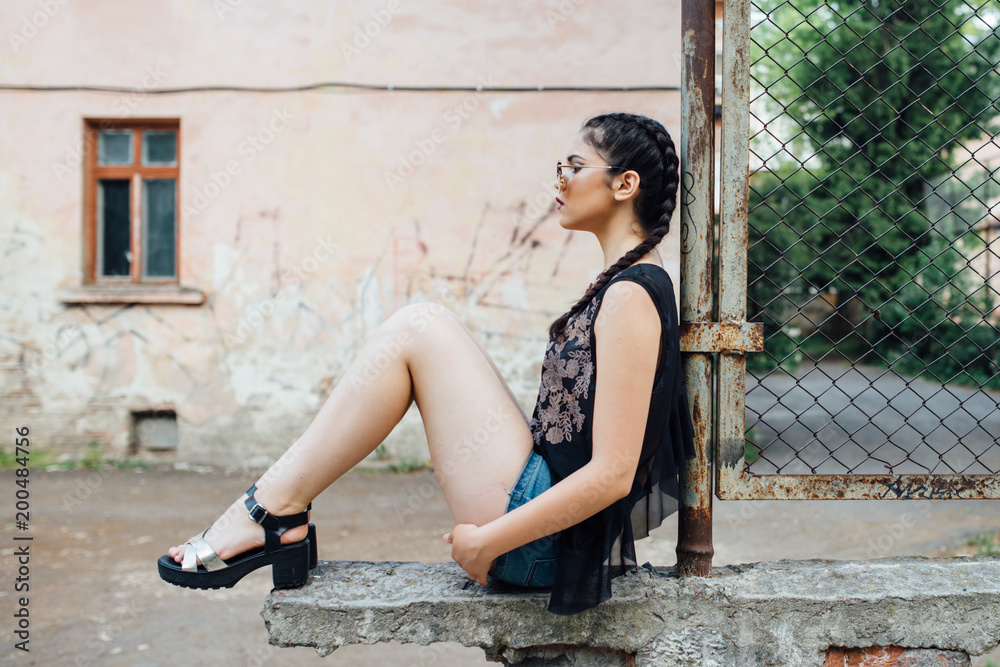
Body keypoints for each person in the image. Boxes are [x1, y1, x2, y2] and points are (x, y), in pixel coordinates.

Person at [158, 112, 696, 615]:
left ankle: (269, 513)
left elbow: (613, 474)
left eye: (575, 168)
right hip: (542, 517)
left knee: (419, 328)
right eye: (561, 167)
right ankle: (274, 510)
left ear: (624, 185)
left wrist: (487, 541)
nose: (559, 181)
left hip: (543, 547)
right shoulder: (622, 285)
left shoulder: (632, 295)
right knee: (427, 324)